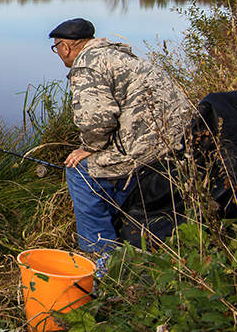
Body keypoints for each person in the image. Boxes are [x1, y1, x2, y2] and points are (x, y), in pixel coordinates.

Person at [49, 18, 194, 264]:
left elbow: (97, 120)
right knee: (102, 165)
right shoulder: (117, 55)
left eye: (56, 48)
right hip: (179, 136)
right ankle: (118, 224)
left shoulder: (87, 66)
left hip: (150, 146)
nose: (58, 53)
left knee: (79, 171)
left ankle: (100, 255)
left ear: (65, 47)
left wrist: (88, 148)